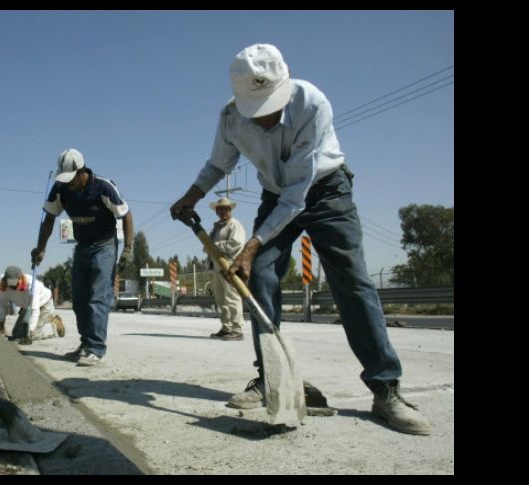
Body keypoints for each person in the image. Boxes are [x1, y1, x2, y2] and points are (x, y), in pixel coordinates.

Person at [169, 44, 430, 435]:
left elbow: (298, 194)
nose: (265, 118)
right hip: (275, 194)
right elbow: (218, 163)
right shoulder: (230, 117)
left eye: (271, 106)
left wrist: (252, 243)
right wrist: (191, 195)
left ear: (285, 87)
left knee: (352, 283)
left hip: (326, 192)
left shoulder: (312, 103)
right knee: (258, 278)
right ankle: (270, 378)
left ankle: (385, 387)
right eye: (256, 109)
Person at [31, 148, 134, 366]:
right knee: (79, 299)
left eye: (72, 180)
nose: (69, 184)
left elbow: (126, 215)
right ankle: (86, 344)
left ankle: (96, 348)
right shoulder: (60, 189)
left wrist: (128, 249)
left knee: (98, 296)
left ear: (81, 171)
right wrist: (41, 248)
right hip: (82, 245)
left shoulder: (104, 187)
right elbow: (49, 218)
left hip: (104, 245)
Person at [205, 197, 247, 341]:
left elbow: (235, 243)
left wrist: (214, 245)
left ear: (230, 210)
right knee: (221, 299)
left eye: (226, 209)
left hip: (230, 266)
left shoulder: (235, 225)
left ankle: (237, 329)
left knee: (232, 298)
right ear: (216, 211)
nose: (223, 211)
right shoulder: (217, 227)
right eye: (220, 209)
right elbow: (208, 246)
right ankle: (226, 327)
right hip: (217, 267)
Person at [0, 265, 65, 342]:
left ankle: (54, 326)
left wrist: (30, 333)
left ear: (20, 279)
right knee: (17, 334)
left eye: (15, 285)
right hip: (27, 307)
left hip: (44, 304)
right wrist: (1, 326)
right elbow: (2, 306)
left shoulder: (32, 285)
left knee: (33, 335)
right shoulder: (5, 286)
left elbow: (35, 311)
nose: (13, 288)